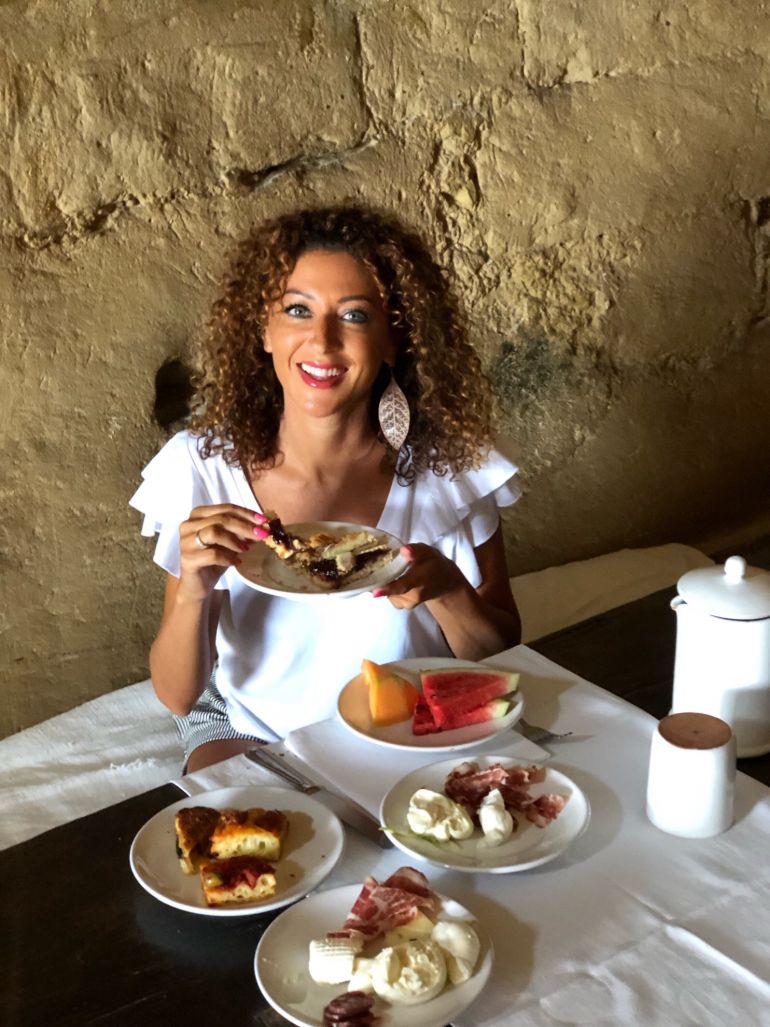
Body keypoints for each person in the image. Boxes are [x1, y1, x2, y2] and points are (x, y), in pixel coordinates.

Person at [130, 204, 522, 771]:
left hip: (407, 726)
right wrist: (193, 587)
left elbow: (506, 658)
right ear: (262, 331)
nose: (323, 341)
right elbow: (176, 694)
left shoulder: (452, 469)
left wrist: (449, 592)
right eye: (297, 310)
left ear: (394, 340)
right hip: (251, 727)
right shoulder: (204, 466)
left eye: (356, 316)